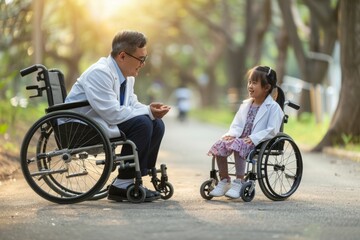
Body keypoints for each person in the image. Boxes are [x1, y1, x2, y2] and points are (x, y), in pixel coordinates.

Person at [65, 30, 171, 202]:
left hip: (101, 122)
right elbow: (113, 114)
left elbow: (131, 104)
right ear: (122, 56)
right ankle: (123, 183)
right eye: (141, 59)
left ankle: (137, 176)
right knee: (143, 124)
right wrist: (147, 113)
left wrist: (150, 109)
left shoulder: (127, 76)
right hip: (78, 128)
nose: (143, 64)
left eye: (145, 58)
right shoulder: (100, 73)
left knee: (156, 123)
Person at [208, 66, 284, 199]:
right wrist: (231, 134)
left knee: (239, 145)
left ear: (266, 87)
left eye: (254, 83)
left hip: (258, 141)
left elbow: (272, 130)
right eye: (249, 82)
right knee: (220, 144)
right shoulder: (246, 104)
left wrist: (253, 138)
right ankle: (225, 180)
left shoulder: (273, 107)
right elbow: (237, 123)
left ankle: (239, 181)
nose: (250, 85)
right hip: (240, 137)